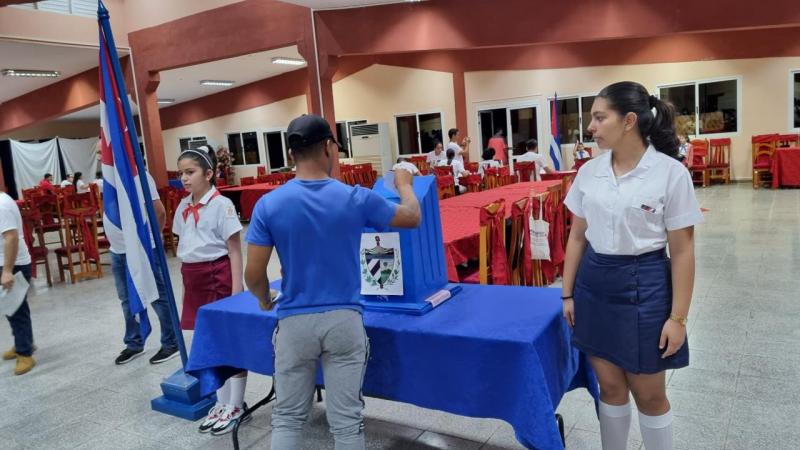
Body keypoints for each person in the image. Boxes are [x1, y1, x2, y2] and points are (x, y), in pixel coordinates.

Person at [244, 114, 421, 449]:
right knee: (347, 425)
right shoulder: (354, 197)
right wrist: (404, 185)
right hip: (344, 321)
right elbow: (412, 217)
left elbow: (253, 275)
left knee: (287, 418)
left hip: (294, 323)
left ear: (291, 153)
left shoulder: (269, 205)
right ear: (328, 146)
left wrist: (265, 297)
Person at [561, 81, 704, 450]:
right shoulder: (589, 172)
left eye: (598, 117)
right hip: (594, 286)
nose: (590, 127)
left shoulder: (670, 174)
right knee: (609, 388)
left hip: (646, 287)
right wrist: (567, 294)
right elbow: (577, 236)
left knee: (650, 395)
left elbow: (684, 252)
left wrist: (678, 318)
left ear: (628, 121)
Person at [172, 145, 248, 436]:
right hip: (193, 278)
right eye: (181, 173)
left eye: (190, 172)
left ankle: (236, 403)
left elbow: (234, 251)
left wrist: (236, 290)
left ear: (209, 173)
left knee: (227, 340)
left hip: (217, 276)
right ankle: (220, 400)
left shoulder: (222, 205)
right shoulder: (182, 205)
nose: (184, 178)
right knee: (206, 341)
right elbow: (187, 246)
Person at [97, 146, 180, 366]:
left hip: (142, 249)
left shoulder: (139, 176)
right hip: (117, 251)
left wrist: (154, 237)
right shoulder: (109, 179)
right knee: (126, 300)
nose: (98, 157)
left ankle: (171, 342)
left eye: (101, 152)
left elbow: (159, 211)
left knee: (157, 297)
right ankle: (134, 343)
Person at [0, 191, 35, 375]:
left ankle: (25, 353)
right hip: (10, 263)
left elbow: (11, 237)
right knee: (13, 308)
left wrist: (6, 271)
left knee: (17, 310)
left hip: (13, 265)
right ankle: (24, 341)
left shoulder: (1, 205)